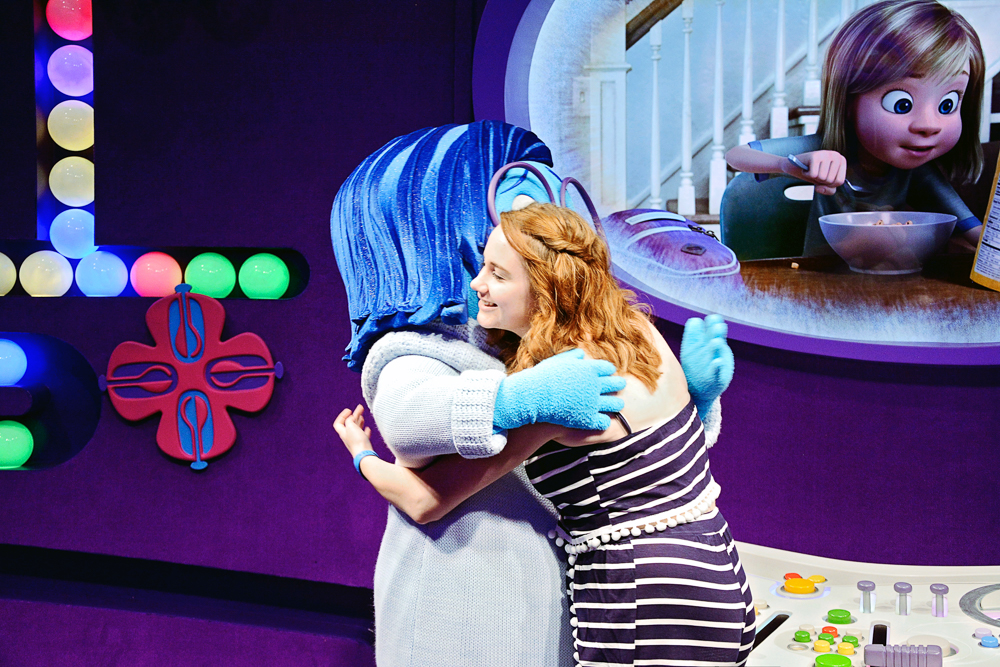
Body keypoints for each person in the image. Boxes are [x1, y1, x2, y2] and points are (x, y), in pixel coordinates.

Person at [330, 122, 734, 667]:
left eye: (498, 272)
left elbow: (427, 498)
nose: (480, 283)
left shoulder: (564, 385)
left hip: (638, 599)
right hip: (700, 572)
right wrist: (695, 400)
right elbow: (408, 418)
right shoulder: (631, 330)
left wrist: (361, 455)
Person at [725, 0, 985, 256]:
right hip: (820, 276)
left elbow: (974, 231)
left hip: (892, 277)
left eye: (947, 105)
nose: (928, 125)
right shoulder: (825, 150)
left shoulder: (919, 173)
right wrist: (788, 165)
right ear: (848, 100)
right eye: (901, 104)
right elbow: (736, 155)